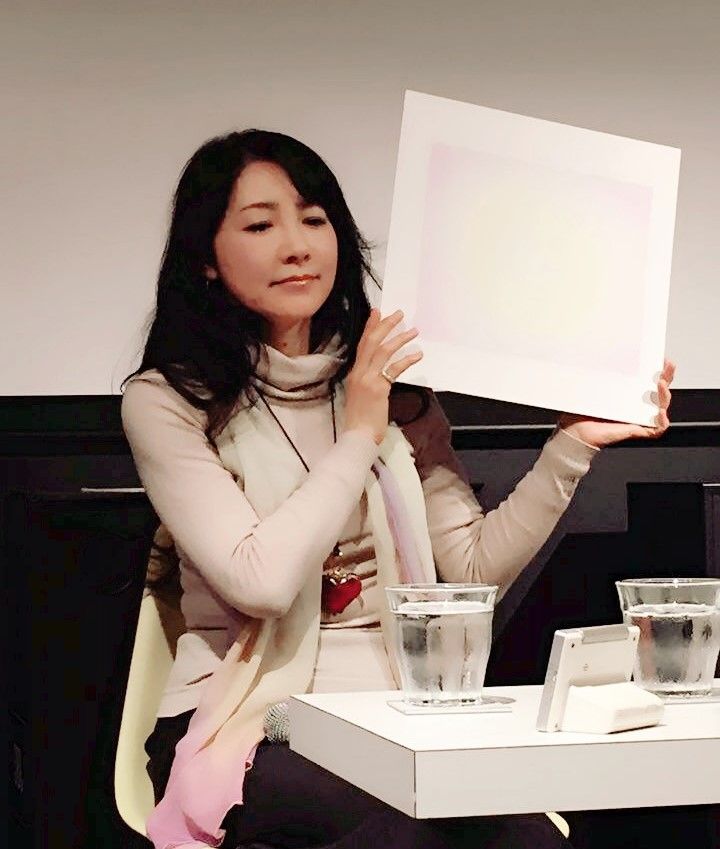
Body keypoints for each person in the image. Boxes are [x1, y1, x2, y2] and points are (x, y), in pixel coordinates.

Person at [121, 129, 675, 849]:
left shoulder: (396, 392)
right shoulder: (168, 401)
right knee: (409, 830)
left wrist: (574, 444)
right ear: (205, 259)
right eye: (260, 226)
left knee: (527, 834)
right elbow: (260, 582)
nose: (297, 246)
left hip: (399, 713)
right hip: (245, 720)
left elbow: (469, 573)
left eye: (314, 219)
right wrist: (359, 434)